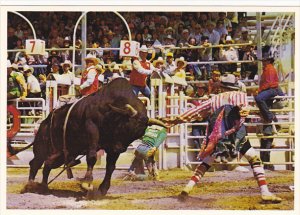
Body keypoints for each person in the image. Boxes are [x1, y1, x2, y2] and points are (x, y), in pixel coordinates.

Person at [178, 105, 282, 203]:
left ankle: (188, 187)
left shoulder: (215, 100)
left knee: (207, 162)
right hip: (235, 133)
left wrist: (174, 121)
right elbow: (242, 107)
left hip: (218, 134)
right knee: (254, 158)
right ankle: (265, 191)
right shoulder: (236, 97)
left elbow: (197, 111)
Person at [254, 46, 284, 132]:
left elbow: (268, 83)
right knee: (265, 106)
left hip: (271, 89)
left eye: (264, 60)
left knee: (259, 98)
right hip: (270, 89)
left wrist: (259, 90)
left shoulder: (269, 69)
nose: (263, 62)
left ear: (269, 60)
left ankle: (271, 117)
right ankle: (273, 122)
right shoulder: (268, 69)